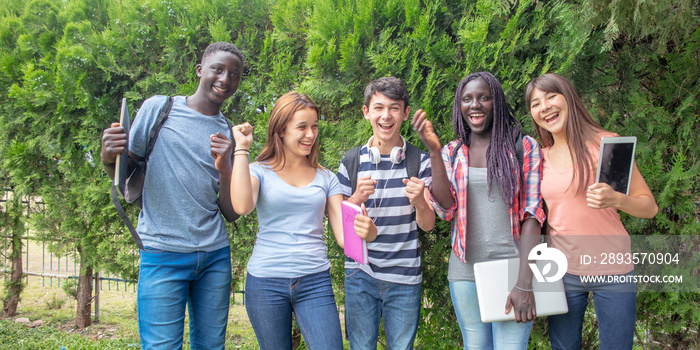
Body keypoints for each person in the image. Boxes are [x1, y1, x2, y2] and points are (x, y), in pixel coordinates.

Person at [100, 42, 242, 349]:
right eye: (218, 69)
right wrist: (108, 155)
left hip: (214, 257)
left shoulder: (229, 132)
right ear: (200, 70)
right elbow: (126, 171)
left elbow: (230, 212)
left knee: (211, 346)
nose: (225, 79)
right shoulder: (159, 109)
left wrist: (225, 168)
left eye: (234, 74)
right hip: (162, 253)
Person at [229, 91, 377, 350]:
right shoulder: (258, 171)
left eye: (315, 126)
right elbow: (242, 206)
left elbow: (344, 239)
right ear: (282, 130)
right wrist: (241, 148)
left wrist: (369, 232)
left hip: (314, 281)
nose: (310, 134)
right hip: (265, 282)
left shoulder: (326, 178)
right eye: (302, 127)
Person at [412, 71, 545, 350]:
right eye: (467, 99)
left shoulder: (523, 147)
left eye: (484, 97)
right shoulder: (451, 152)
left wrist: (524, 283)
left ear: (496, 101)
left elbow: (532, 215)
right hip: (465, 271)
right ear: (459, 106)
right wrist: (434, 153)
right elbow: (445, 209)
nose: (475, 105)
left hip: (514, 268)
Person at [525, 73, 658, 350]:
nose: (544, 107)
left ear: (568, 98)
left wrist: (617, 199)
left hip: (613, 269)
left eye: (551, 97)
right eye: (535, 103)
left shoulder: (607, 144)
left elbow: (649, 206)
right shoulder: (540, 156)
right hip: (562, 272)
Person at [336, 77, 435, 350]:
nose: (386, 115)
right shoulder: (351, 161)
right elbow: (341, 226)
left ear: (404, 113)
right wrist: (356, 197)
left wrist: (420, 202)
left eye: (394, 108)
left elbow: (427, 225)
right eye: (378, 107)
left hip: (404, 279)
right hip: (360, 275)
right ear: (366, 112)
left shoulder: (419, 161)